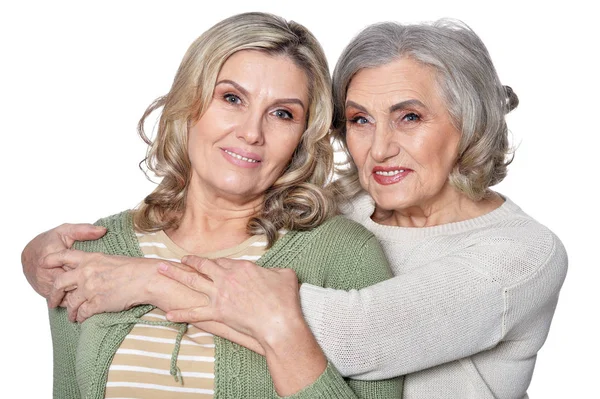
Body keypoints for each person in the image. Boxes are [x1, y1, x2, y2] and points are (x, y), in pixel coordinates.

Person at [23, 19, 567, 399]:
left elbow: (357, 335)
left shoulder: (519, 256)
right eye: (358, 120)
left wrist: (150, 281)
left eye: (409, 117)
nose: (378, 149)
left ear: (469, 123)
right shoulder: (343, 208)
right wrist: (43, 255)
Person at [33, 11, 404, 399]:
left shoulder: (345, 257)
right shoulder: (97, 255)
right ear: (189, 102)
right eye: (231, 98)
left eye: (282, 113)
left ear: (303, 137)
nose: (250, 132)